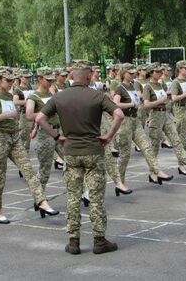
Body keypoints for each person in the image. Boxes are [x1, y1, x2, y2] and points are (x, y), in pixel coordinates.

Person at [36, 61, 125, 255]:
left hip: (71, 152)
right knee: (95, 197)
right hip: (93, 150)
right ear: (87, 77)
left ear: (71, 77)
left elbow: (39, 118)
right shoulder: (97, 95)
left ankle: (73, 241)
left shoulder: (59, 97)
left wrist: (57, 136)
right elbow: (119, 114)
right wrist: (108, 136)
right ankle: (99, 240)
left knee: (73, 197)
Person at [0, 69, 58, 224]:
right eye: (8, 80)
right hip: (0, 138)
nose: (11, 83)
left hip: (14, 137)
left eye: (12, 80)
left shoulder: (10, 95)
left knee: (29, 171)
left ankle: (42, 202)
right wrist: (8, 115)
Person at [112, 63, 173, 185]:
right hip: (125, 122)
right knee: (125, 155)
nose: (132, 74)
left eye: (133, 72)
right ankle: (120, 182)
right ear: (124, 74)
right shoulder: (120, 88)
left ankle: (157, 170)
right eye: (130, 73)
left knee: (146, 146)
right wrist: (131, 105)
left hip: (135, 121)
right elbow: (115, 104)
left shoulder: (132, 86)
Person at [144, 63, 186, 176]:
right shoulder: (148, 87)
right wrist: (160, 101)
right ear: (151, 73)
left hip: (165, 115)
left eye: (161, 71)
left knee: (176, 140)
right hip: (155, 116)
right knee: (155, 146)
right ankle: (153, 171)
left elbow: (169, 95)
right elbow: (146, 105)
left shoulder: (162, 85)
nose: (161, 73)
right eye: (158, 71)